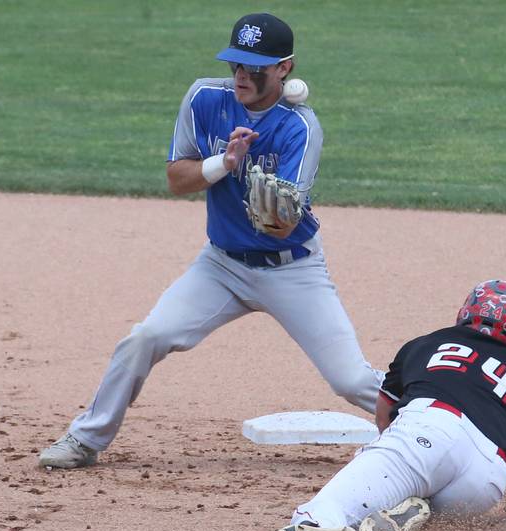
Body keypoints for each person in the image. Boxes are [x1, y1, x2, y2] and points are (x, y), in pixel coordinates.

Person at [39, 13, 383, 469]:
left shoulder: (300, 126)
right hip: (221, 266)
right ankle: (86, 439)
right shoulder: (205, 98)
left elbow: (283, 226)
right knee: (147, 336)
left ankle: (448, 423)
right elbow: (176, 178)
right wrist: (225, 161)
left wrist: (273, 211)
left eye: (255, 68)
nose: (241, 75)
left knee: (351, 379)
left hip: (292, 269)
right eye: (236, 64)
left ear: (284, 68)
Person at [263, 279, 506, 531]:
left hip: (428, 431)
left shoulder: (426, 344)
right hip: (486, 476)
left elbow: (384, 413)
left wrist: (397, 459)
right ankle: (420, 513)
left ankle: (321, 523)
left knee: (323, 513)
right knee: (434, 518)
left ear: (465, 313)